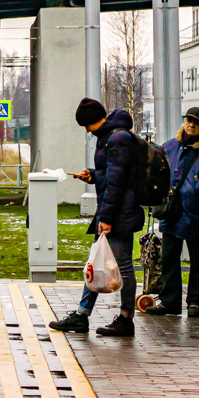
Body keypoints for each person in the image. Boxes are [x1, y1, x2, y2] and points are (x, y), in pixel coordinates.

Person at [49, 98, 143, 337]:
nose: (87, 131)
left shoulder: (117, 138)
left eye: (86, 125)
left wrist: (107, 217)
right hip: (115, 209)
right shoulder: (111, 136)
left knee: (123, 266)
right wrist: (91, 176)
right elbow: (110, 174)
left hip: (119, 211)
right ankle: (82, 315)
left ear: (92, 121)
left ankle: (125, 319)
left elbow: (117, 182)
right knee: (96, 261)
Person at [144, 106, 199, 318]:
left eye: (195, 122)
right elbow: (158, 169)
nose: (190, 125)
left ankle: (196, 303)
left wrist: (197, 185)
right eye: (187, 120)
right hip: (171, 212)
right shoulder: (171, 146)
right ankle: (169, 302)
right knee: (169, 260)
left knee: (197, 262)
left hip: (196, 214)